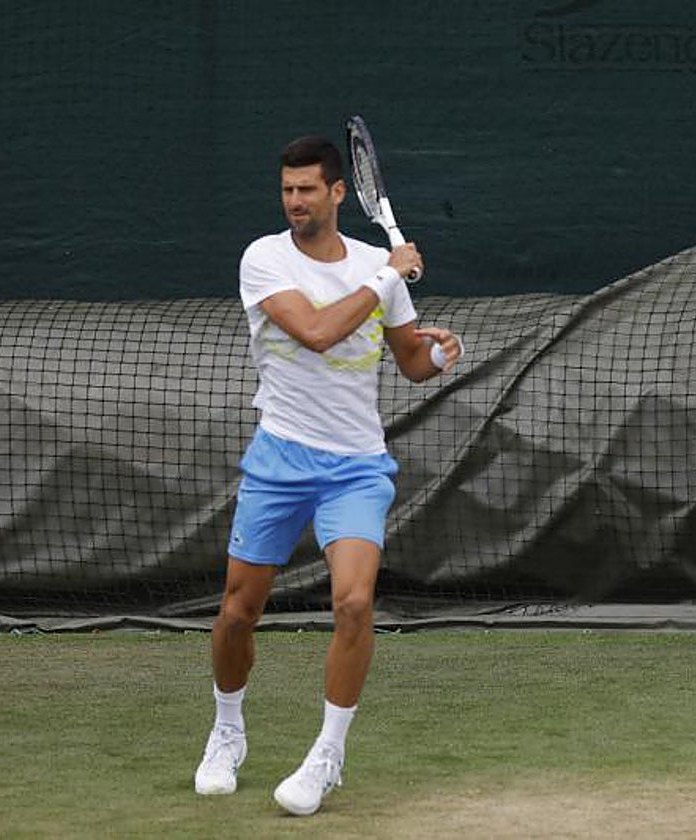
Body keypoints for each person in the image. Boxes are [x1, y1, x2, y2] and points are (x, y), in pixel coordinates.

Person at [193, 134, 464, 815]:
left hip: (356, 467)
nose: (295, 202)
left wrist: (439, 356)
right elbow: (315, 331)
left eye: (308, 189)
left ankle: (328, 754)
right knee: (236, 614)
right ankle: (228, 729)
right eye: (287, 189)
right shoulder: (264, 259)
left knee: (352, 603)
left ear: (339, 193)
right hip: (280, 458)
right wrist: (387, 277)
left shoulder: (377, 265)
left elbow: (406, 359)